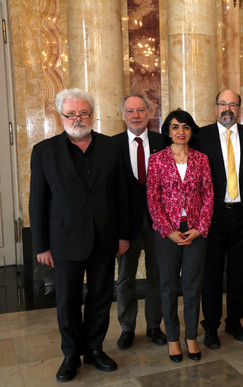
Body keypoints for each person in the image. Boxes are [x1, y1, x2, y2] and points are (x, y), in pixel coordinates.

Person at [29, 88, 130, 382]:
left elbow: (122, 195)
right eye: (71, 113)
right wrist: (41, 245)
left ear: (92, 115)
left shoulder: (112, 148)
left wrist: (123, 235)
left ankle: (95, 349)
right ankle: (71, 354)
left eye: (84, 113)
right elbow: (38, 202)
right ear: (61, 116)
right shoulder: (44, 151)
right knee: (68, 300)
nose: (78, 118)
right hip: (64, 239)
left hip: (104, 237)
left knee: (100, 296)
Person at [146, 109, 213, 362]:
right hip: (167, 234)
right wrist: (168, 231)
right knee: (169, 287)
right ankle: (173, 338)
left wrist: (199, 228)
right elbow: (153, 200)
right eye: (175, 127)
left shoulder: (202, 159)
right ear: (168, 131)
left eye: (185, 127)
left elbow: (208, 197)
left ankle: (192, 337)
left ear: (191, 130)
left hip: (196, 231)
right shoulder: (157, 160)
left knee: (192, 287)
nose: (180, 131)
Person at [199, 90, 243, 349]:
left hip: (242, 215)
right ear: (215, 107)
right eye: (223, 103)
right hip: (212, 216)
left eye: (232, 104)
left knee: (238, 272)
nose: (227, 109)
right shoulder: (201, 136)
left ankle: (235, 321)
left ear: (239, 109)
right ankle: (210, 326)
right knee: (210, 274)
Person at [113, 94, 168, 350]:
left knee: (158, 275)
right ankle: (127, 328)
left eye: (140, 110)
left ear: (149, 113)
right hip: (125, 226)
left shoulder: (162, 142)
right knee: (125, 277)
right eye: (130, 111)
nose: (136, 115)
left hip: (159, 223)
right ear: (123, 116)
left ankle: (154, 326)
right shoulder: (111, 146)